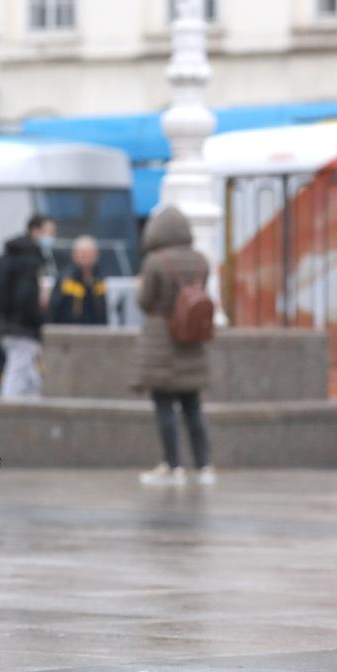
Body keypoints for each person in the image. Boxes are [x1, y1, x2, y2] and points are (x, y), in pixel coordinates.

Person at [133, 205, 215, 486]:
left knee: (165, 406)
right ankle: (204, 467)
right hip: (192, 340)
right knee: (193, 406)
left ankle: (173, 466)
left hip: (162, 342)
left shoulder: (155, 261)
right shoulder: (201, 260)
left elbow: (145, 302)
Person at [0, 215, 56, 398]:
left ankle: (36, 406)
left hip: (6, 324)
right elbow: (25, 298)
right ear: (36, 231)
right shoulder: (29, 260)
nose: (52, 238)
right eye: (50, 232)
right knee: (17, 373)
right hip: (22, 328)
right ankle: (7, 413)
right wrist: (38, 318)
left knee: (30, 375)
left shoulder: (11, 256)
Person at [48, 235, 109, 326]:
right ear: (74, 255)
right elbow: (53, 309)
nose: (85, 256)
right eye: (81, 253)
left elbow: (102, 311)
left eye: (89, 253)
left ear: (96, 254)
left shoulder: (99, 280)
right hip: (67, 333)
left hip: (94, 332)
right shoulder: (65, 279)